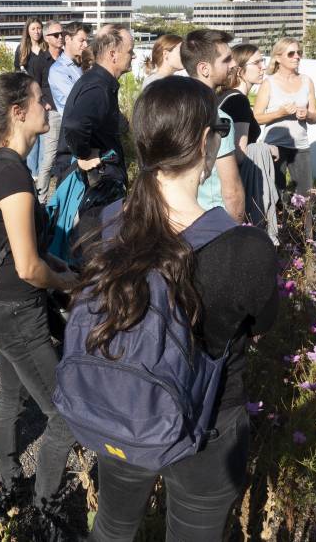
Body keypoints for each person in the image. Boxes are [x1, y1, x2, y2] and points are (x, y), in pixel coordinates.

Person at [80, 77, 279, 541]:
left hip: (120, 408)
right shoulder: (245, 249)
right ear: (209, 142)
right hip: (207, 426)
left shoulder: (102, 225)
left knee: (111, 528)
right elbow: (262, 324)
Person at [0, 72, 78, 519]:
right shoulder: (13, 176)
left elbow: (12, 247)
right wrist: (65, 282)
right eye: (40, 101)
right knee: (65, 418)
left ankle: (11, 484)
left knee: (11, 398)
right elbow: (29, 268)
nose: (47, 107)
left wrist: (55, 263)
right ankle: (43, 510)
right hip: (17, 312)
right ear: (18, 112)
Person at [53, 24, 134, 186]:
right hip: (98, 185)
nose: (134, 56)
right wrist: (85, 154)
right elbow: (74, 126)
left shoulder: (99, 81)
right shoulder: (97, 87)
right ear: (113, 54)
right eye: (130, 51)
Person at [180, 30, 246, 222]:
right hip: (212, 222)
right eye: (226, 60)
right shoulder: (218, 119)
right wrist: (236, 231)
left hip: (178, 219)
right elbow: (231, 191)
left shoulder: (173, 110)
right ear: (204, 69)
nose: (233, 64)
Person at [222, 43, 279, 239]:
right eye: (257, 62)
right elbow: (239, 153)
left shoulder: (225, 96)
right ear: (240, 69)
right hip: (236, 183)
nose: (263, 66)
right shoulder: (239, 101)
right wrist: (265, 149)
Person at [253, 37, 316, 199]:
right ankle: (276, 224)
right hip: (274, 148)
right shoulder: (269, 83)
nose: (297, 56)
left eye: (299, 53)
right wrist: (280, 113)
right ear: (278, 58)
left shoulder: (306, 81)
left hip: (300, 146)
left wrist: (308, 115)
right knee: (275, 194)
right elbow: (256, 118)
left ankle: (305, 225)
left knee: (306, 195)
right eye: (291, 53)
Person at [40, 21, 90, 199]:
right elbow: (79, 101)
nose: (85, 45)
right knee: (66, 178)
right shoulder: (59, 70)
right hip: (68, 129)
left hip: (84, 129)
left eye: (87, 41)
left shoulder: (81, 66)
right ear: (68, 39)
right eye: (81, 40)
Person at [27, 20, 65, 180]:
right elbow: (32, 86)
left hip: (67, 111)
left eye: (62, 34)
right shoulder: (39, 61)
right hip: (51, 112)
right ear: (47, 38)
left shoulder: (67, 59)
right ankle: (40, 197)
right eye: (56, 35)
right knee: (47, 157)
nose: (60, 37)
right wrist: (44, 103)